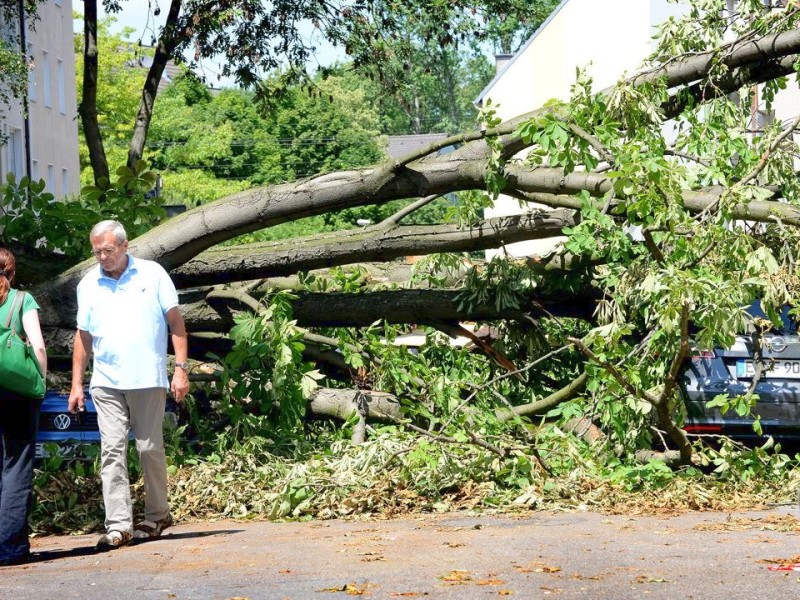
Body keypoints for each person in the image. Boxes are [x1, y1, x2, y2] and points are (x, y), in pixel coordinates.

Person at [67, 220, 189, 549]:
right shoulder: (88, 284)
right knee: (111, 451)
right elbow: (83, 336)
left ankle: (157, 515)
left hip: (147, 377)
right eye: (97, 252)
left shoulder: (153, 274)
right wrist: (77, 383)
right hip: (106, 380)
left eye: (108, 250)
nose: (103, 257)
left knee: (149, 448)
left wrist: (180, 369)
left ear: (125, 245)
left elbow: (176, 323)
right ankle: (118, 525)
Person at [0, 248, 47, 566]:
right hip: (17, 393)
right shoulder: (20, 300)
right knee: (16, 467)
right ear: (13, 272)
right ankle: (10, 547)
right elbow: (39, 345)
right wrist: (39, 383)